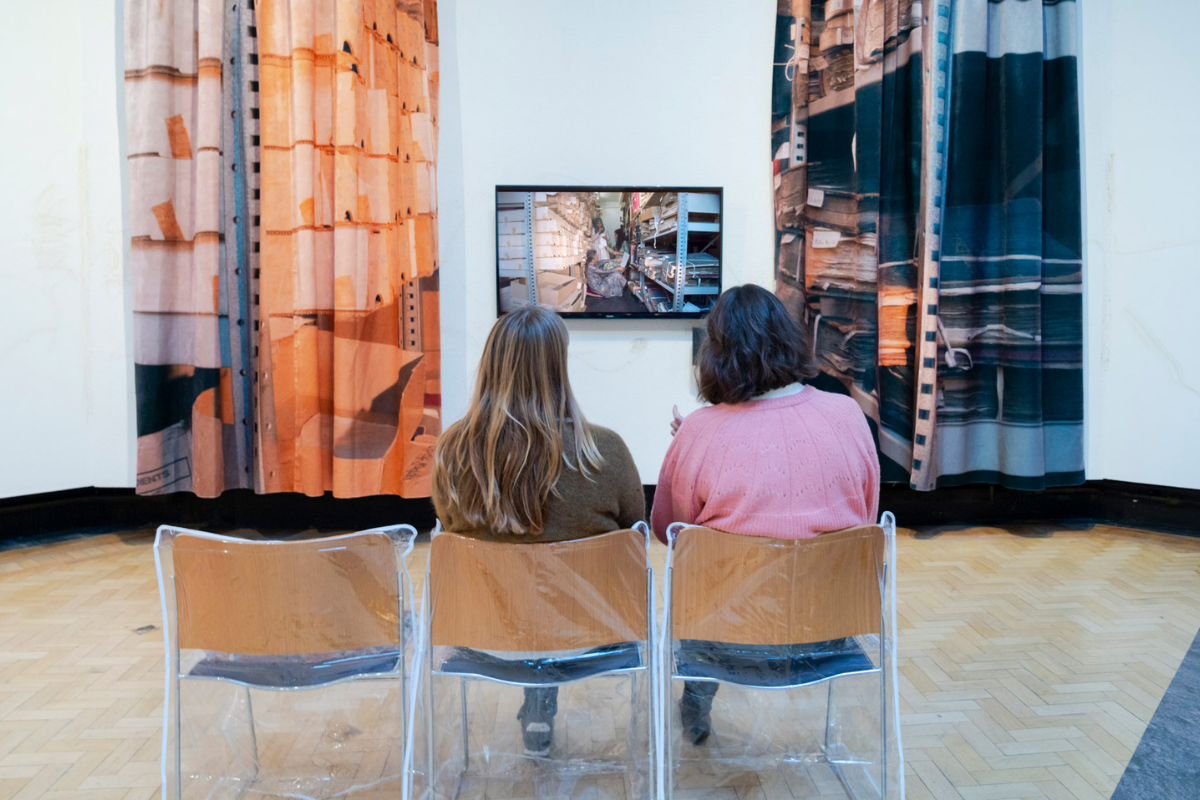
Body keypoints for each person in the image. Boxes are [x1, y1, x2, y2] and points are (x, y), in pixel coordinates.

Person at [652, 283, 880, 745]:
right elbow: (866, 515)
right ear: (789, 338)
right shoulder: (849, 415)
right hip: (829, 635)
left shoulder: (698, 432)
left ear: (715, 354)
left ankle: (695, 704)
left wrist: (698, 443)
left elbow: (667, 532)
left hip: (725, 644)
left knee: (704, 583)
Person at [432, 305, 645, 756]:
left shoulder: (452, 453)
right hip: (589, 641)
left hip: (486, 641)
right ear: (558, 366)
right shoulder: (604, 452)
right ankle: (541, 698)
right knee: (549, 599)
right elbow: (636, 538)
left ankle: (536, 703)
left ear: (492, 365)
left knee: (525, 591)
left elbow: (452, 529)